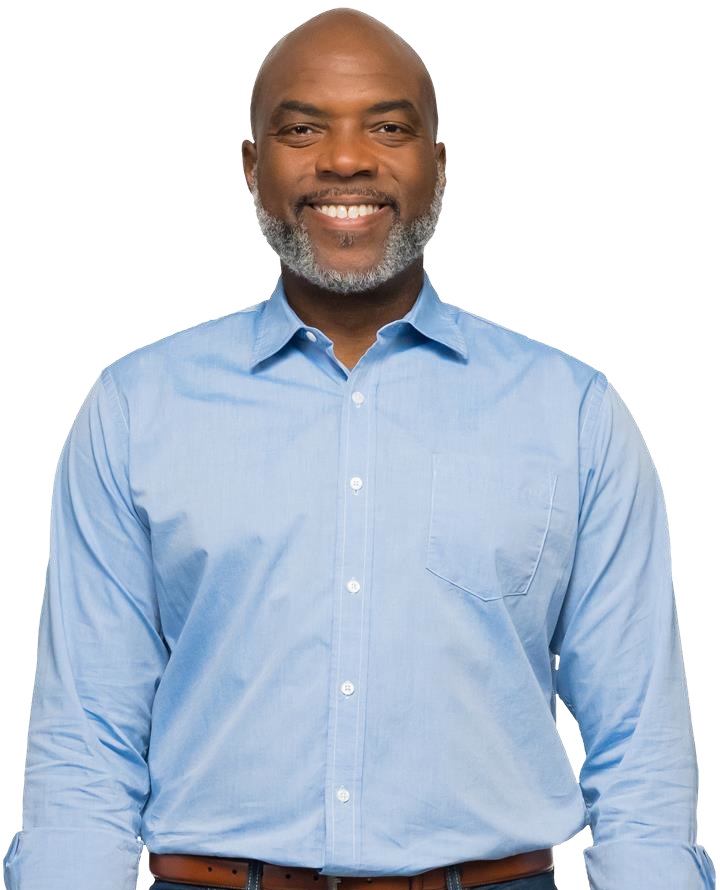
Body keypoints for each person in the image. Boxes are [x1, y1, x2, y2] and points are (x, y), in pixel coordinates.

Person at [3, 7, 714, 890]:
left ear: (439, 166)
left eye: (388, 128)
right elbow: (85, 736)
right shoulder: (134, 407)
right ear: (252, 167)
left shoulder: (573, 412)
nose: (345, 160)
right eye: (303, 129)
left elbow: (640, 736)